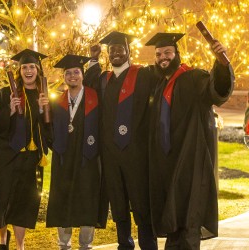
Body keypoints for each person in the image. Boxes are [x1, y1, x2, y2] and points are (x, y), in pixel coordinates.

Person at [145, 32, 235, 249]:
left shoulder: (193, 77)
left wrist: (221, 64)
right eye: (158, 54)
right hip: (167, 162)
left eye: (167, 52)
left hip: (190, 159)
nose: (162, 57)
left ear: (177, 54)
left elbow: (217, 91)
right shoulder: (159, 86)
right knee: (173, 221)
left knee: (188, 220)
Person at [0, 49, 49, 250]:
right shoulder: (5, 93)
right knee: (3, 199)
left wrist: (45, 111)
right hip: (7, 156)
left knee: (24, 203)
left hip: (30, 159)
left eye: (32, 67)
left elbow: (47, 130)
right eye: (24, 67)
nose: (28, 70)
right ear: (19, 70)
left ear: (38, 70)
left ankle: (20, 245)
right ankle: (2, 240)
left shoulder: (42, 95)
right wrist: (8, 109)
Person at [98, 31, 158, 250]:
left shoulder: (143, 75)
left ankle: (148, 245)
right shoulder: (103, 80)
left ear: (129, 51)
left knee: (141, 202)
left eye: (120, 49)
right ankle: (124, 244)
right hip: (111, 153)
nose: (115, 52)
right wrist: (93, 60)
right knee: (118, 201)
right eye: (111, 49)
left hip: (137, 153)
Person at [41, 54, 108, 250]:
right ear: (64, 77)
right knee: (63, 199)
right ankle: (64, 244)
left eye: (76, 72)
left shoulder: (96, 97)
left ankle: (85, 245)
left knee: (88, 198)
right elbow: (48, 131)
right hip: (64, 159)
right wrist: (40, 111)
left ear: (82, 74)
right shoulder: (57, 102)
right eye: (68, 73)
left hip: (89, 158)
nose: (72, 76)